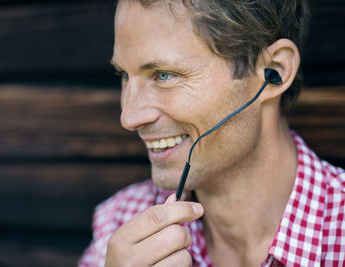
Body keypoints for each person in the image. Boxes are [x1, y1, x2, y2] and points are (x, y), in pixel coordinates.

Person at [79, 0, 345, 266]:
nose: (129, 117)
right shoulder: (119, 224)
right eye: (124, 75)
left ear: (273, 72)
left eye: (163, 75)